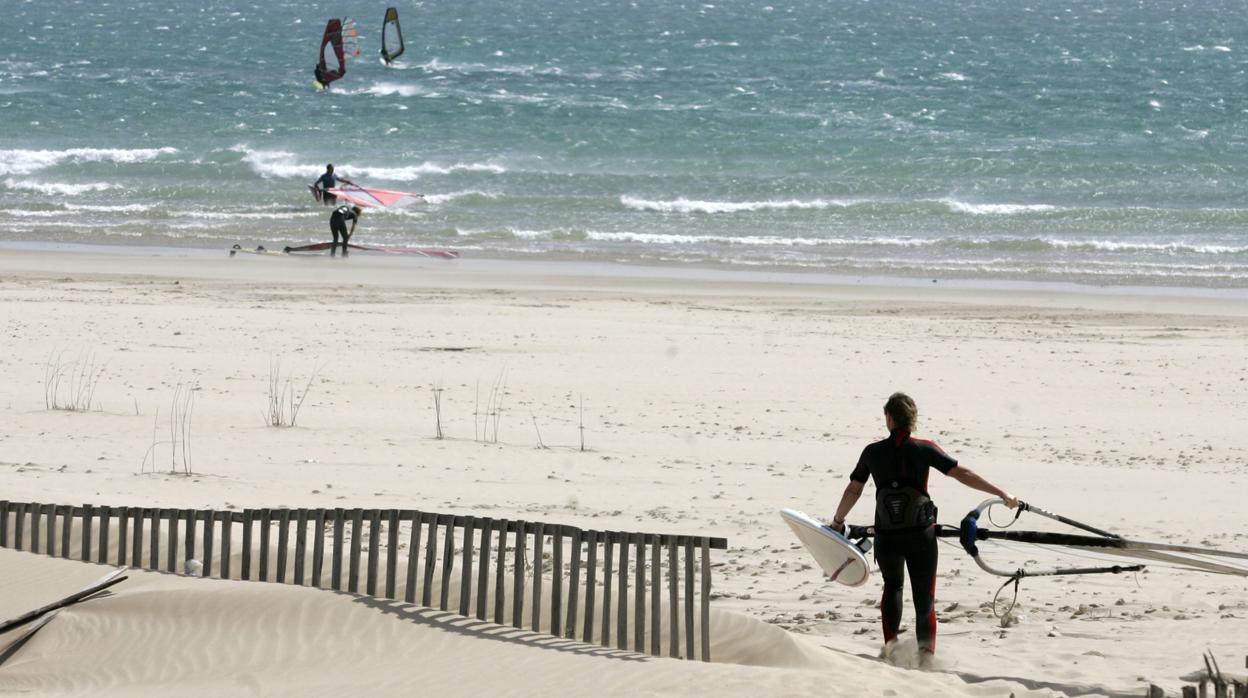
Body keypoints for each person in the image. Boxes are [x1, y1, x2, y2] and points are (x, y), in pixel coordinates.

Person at [829, 392, 1018, 667]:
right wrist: (1002, 493)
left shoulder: (872, 452)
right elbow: (961, 473)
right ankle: (926, 659)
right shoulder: (924, 448)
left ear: (889, 418)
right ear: (912, 419)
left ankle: (892, 649)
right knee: (924, 597)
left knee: (893, 587)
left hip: (887, 535)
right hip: (920, 534)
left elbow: (854, 489)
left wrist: (837, 522)